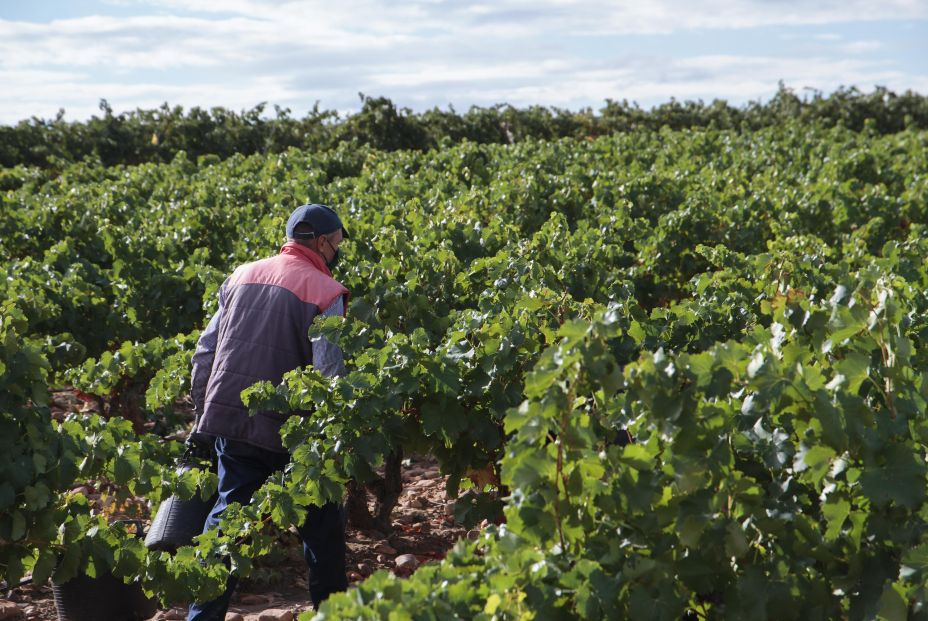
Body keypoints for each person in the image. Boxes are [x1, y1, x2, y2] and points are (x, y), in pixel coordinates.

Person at [186, 204, 351, 620]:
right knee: (323, 533)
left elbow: (205, 351)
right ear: (321, 241)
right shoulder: (326, 291)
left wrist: (204, 414)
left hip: (233, 422)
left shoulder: (240, 275)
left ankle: (200, 616)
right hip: (292, 433)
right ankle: (333, 615)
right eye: (338, 243)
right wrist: (330, 438)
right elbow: (328, 372)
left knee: (224, 527)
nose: (338, 251)